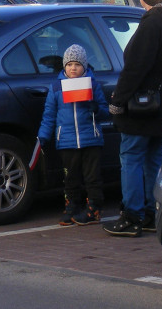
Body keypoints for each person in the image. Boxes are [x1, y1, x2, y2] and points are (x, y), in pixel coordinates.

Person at [104, 0, 162, 237]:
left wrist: (118, 100)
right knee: (153, 158)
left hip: (142, 103)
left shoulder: (151, 24)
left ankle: (132, 215)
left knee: (131, 156)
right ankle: (152, 211)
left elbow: (136, 67)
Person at [37, 44, 110, 226]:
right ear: (64, 67)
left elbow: (104, 110)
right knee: (71, 177)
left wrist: (96, 109)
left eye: (77, 65)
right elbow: (49, 115)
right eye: (69, 65)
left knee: (92, 177)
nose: (73, 68)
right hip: (67, 140)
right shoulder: (56, 87)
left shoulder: (92, 85)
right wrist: (42, 137)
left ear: (84, 66)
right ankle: (72, 206)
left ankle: (94, 207)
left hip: (90, 139)